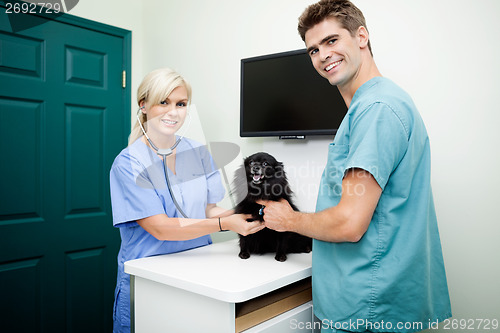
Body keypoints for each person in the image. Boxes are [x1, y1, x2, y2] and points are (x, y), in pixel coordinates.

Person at [257, 1, 452, 332]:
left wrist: (288, 219)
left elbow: (349, 222)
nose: (322, 55)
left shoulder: (375, 109)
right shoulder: (378, 103)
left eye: (332, 41)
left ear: (361, 36)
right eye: (313, 49)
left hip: (368, 308)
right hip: (376, 301)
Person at [109, 68, 264, 333]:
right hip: (150, 277)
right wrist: (226, 225)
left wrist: (251, 213)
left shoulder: (198, 152)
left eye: (181, 104)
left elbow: (210, 209)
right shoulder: (129, 163)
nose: (173, 112)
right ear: (143, 105)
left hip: (197, 272)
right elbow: (160, 227)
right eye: (163, 102)